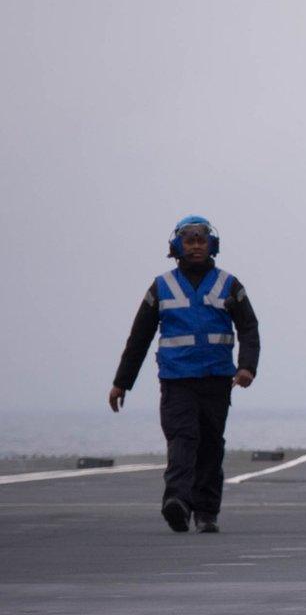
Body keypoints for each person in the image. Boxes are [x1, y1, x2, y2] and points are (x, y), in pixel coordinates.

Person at [109, 216, 259, 533]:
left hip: (217, 379)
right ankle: (177, 501)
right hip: (177, 380)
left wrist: (246, 366)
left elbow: (248, 327)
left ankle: (206, 512)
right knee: (182, 439)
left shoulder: (229, 285)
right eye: (189, 241)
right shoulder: (161, 287)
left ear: (211, 245)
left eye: (200, 240)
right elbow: (139, 337)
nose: (195, 246)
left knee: (210, 446)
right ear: (177, 246)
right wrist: (122, 382)